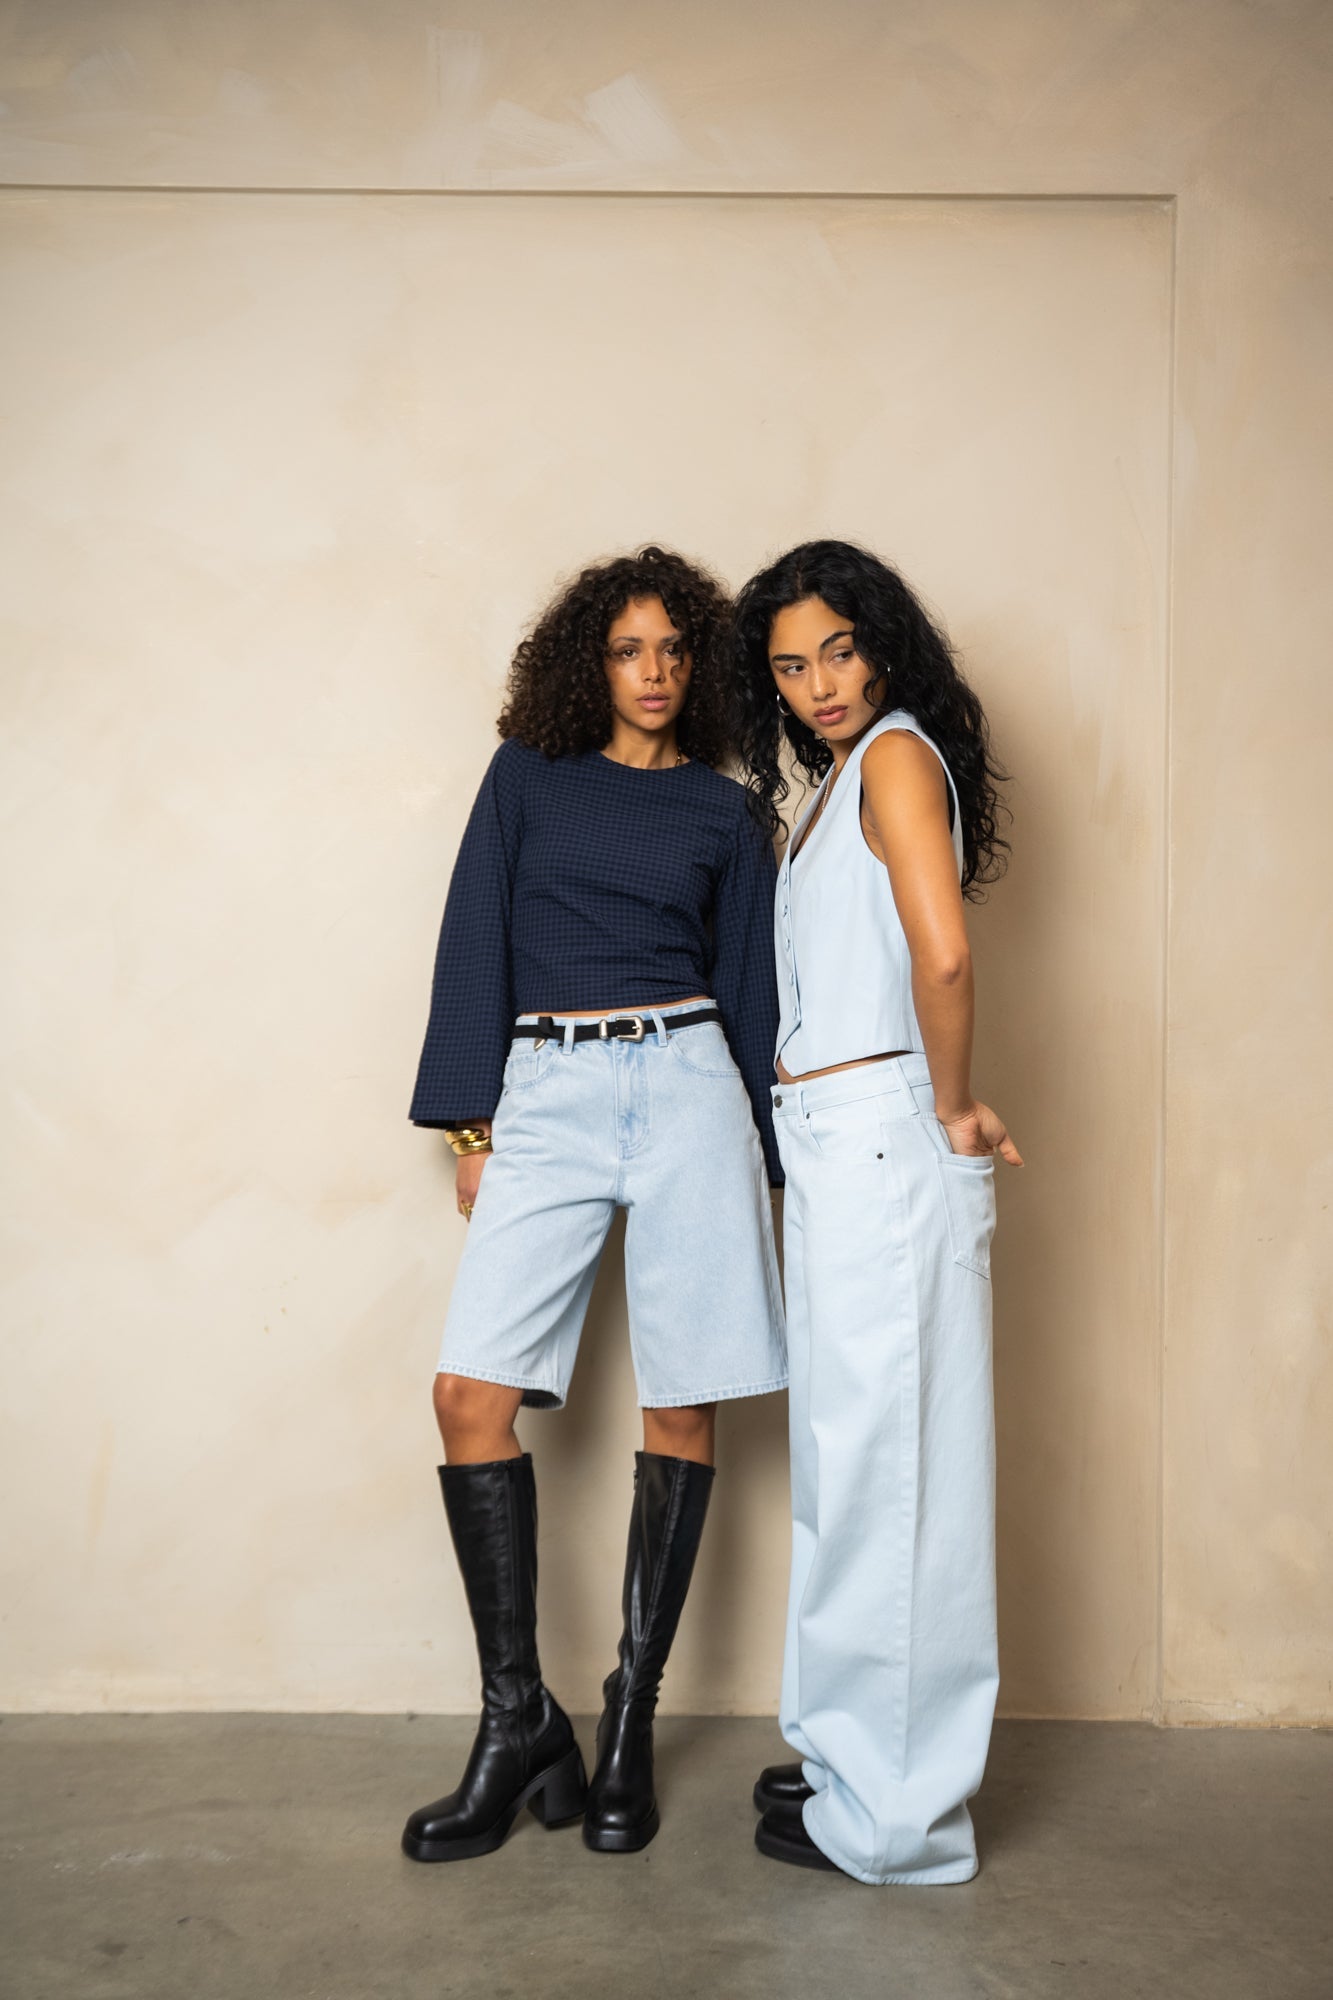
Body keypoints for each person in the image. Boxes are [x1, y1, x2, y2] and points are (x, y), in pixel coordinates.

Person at [402, 546, 785, 1864]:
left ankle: (628, 1719)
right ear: (590, 663)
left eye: (675, 649)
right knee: (470, 1396)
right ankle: (518, 1721)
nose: (654, 672)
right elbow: (474, 938)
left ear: (701, 667)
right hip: (548, 1088)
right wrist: (472, 1127)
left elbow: (752, 995)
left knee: (684, 1395)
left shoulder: (726, 814)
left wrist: (771, 1168)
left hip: (691, 1087)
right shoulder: (527, 779)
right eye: (629, 649)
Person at [728, 539, 1021, 1884]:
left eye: (838, 651)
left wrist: (953, 1110)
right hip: (832, 1144)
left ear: (882, 647)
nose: (820, 685)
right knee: (846, 1467)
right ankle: (848, 1756)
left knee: (895, 1477)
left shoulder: (896, 756)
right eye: (792, 667)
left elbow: (941, 954)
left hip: (883, 1134)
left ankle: (898, 1822)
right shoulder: (838, 779)